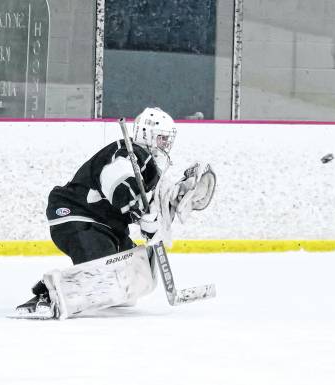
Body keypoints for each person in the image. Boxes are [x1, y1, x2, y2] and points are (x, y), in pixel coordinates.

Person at [14, 107, 216, 318]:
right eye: (162, 138)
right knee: (102, 271)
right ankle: (46, 295)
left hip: (108, 226)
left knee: (133, 271)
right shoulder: (125, 151)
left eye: (168, 140)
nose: (166, 144)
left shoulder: (151, 168)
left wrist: (156, 220)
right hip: (77, 214)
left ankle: (89, 288)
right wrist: (140, 215)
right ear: (146, 134)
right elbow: (116, 181)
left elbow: (147, 208)